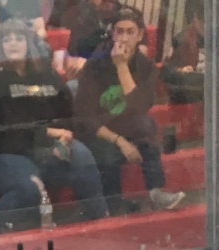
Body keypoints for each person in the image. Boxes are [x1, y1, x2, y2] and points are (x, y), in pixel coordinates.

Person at [0, 20, 107, 231]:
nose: (13, 44)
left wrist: (63, 135)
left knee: (81, 154)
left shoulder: (45, 74)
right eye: (7, 39)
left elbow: (65, 109)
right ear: (0, 46)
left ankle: (98, 221)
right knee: (29, 184)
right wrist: (50, 134)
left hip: (35, 148)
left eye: (19, 38)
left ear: (28, 43)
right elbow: (8, 126)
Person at [75, 8, 185, 210]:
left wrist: (122, 66)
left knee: (147, 125)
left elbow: (139, 108)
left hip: (126, 123)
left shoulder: (146, 66)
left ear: (140, 35)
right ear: (112, 33)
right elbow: (86, 118)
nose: (124, 38)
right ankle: (113, 203)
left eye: (130, 32)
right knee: (109, 154)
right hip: (98, 131)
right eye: (120, 31)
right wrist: (121, 142)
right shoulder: (94, 66)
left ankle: (156, 192)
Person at [159, 9, 219, 103]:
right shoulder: (181, 41)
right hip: (190, 99)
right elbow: (166, 73)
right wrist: (181, 71)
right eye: (204, 21)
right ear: (195, 18)